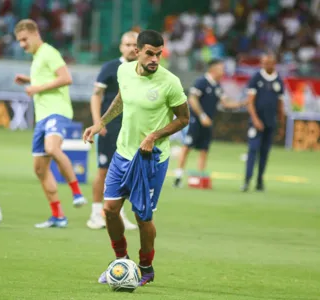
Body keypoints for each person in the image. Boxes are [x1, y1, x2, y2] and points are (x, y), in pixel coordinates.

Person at [83, 30, 189, 286]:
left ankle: (146, 267)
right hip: (123, 154)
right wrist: (100, 123)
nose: (155, 59)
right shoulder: (124, 71)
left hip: (151, 159)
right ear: (137, 52)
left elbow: (184, 119)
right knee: (109, 210)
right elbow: (121, 99)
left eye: (159, 54)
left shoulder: (170, 82)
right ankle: (121, 261)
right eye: (150, 53)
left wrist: (154, 136)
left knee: (143, 218)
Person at [14, 19, 87, 228]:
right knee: (39, 170)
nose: (22, 45)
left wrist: (36, 88)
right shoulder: (37, 57)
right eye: (19, 41)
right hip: (42, 116)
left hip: (57, 111)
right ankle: (58, 216)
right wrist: (29, 80)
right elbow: (47, 79)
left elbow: (65, 78)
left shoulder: (49, 52)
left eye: (24, 39)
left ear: (35, 33)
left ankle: (76, 191)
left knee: (52, 148)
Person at [87, 31, 138, 230]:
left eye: (135, 44)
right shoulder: (110, 68)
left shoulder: (143, 70)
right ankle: (95, 214)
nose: (131, 48)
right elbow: (96, 95)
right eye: (127, 44)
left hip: (132, 130)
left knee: (126, 172)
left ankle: (119, 213)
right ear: (121, 47)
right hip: (110, 128)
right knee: (104, 171)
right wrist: (98, 122)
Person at [173, 59, 247, 187]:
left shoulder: (217, 86)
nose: (223, 71)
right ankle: (178, 177)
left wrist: (243, 103)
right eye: (221, 68)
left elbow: (225, 103)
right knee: (187, 147)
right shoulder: (201, 82)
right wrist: (202, 115)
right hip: (196, 121)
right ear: (213, 69)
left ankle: (199, 178)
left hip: (208, 123)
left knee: (204, 150)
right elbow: (192, 99)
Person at [241, 53, 285, 192]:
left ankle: (260, 181)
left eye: (267, 63)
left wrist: (281, 123)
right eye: (263, 62)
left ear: (274, 63)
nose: (264, 65)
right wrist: (255, 120)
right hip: (256, 123)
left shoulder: (278, 80)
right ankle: (247, 180)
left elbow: (280, 104)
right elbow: (250, 102)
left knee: (265, 153)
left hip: (270, 122)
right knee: (253, 150)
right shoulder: (256, 78)